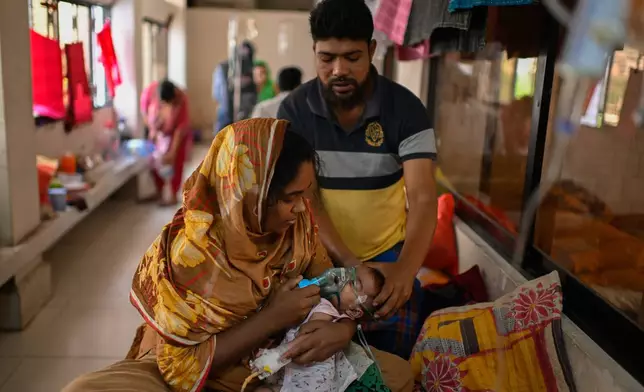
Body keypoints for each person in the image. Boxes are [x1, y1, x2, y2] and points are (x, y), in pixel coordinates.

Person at [62, 119, 413, 392]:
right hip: (191, 368)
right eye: (290, 198)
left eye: (305, 195)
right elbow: (180, 366)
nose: (302, 208)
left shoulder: (298, 228)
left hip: (278, 360)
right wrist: (271, 318)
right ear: (250, 196)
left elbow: (333, 289)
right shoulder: (193, 254)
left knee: (399, 375)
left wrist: (343, 330)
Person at [277, 0, 438, 359]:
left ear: (372, 50)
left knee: (393, 340)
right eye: (327, 58)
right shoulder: (295, 111)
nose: (339, 70)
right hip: (317, 254)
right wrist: (348, 263)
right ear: (315, 52)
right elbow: (308, 199)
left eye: (352, 57)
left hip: (388, 255)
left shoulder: (407, 111)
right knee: (302, 344)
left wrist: (404, 270)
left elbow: (424, 199)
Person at [255, 265, 386, 392]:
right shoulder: (325, 306)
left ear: (355, 311)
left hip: (307, 381)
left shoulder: (326, 310)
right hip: (296, 373)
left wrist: (275, 356)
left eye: (353, 284)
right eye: (349, 271)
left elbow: (305, 340)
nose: (343, 277)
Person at [140, 79, 191, 206]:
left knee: (176, 160)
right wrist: (153, 130)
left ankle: (173, 195)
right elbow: (144, 114)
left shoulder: (181, 98)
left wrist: (172, 152)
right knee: (155, 160)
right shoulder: (149, 93)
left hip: (176, 134)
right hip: (159, 132)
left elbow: (180, 129)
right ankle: (159, 191)